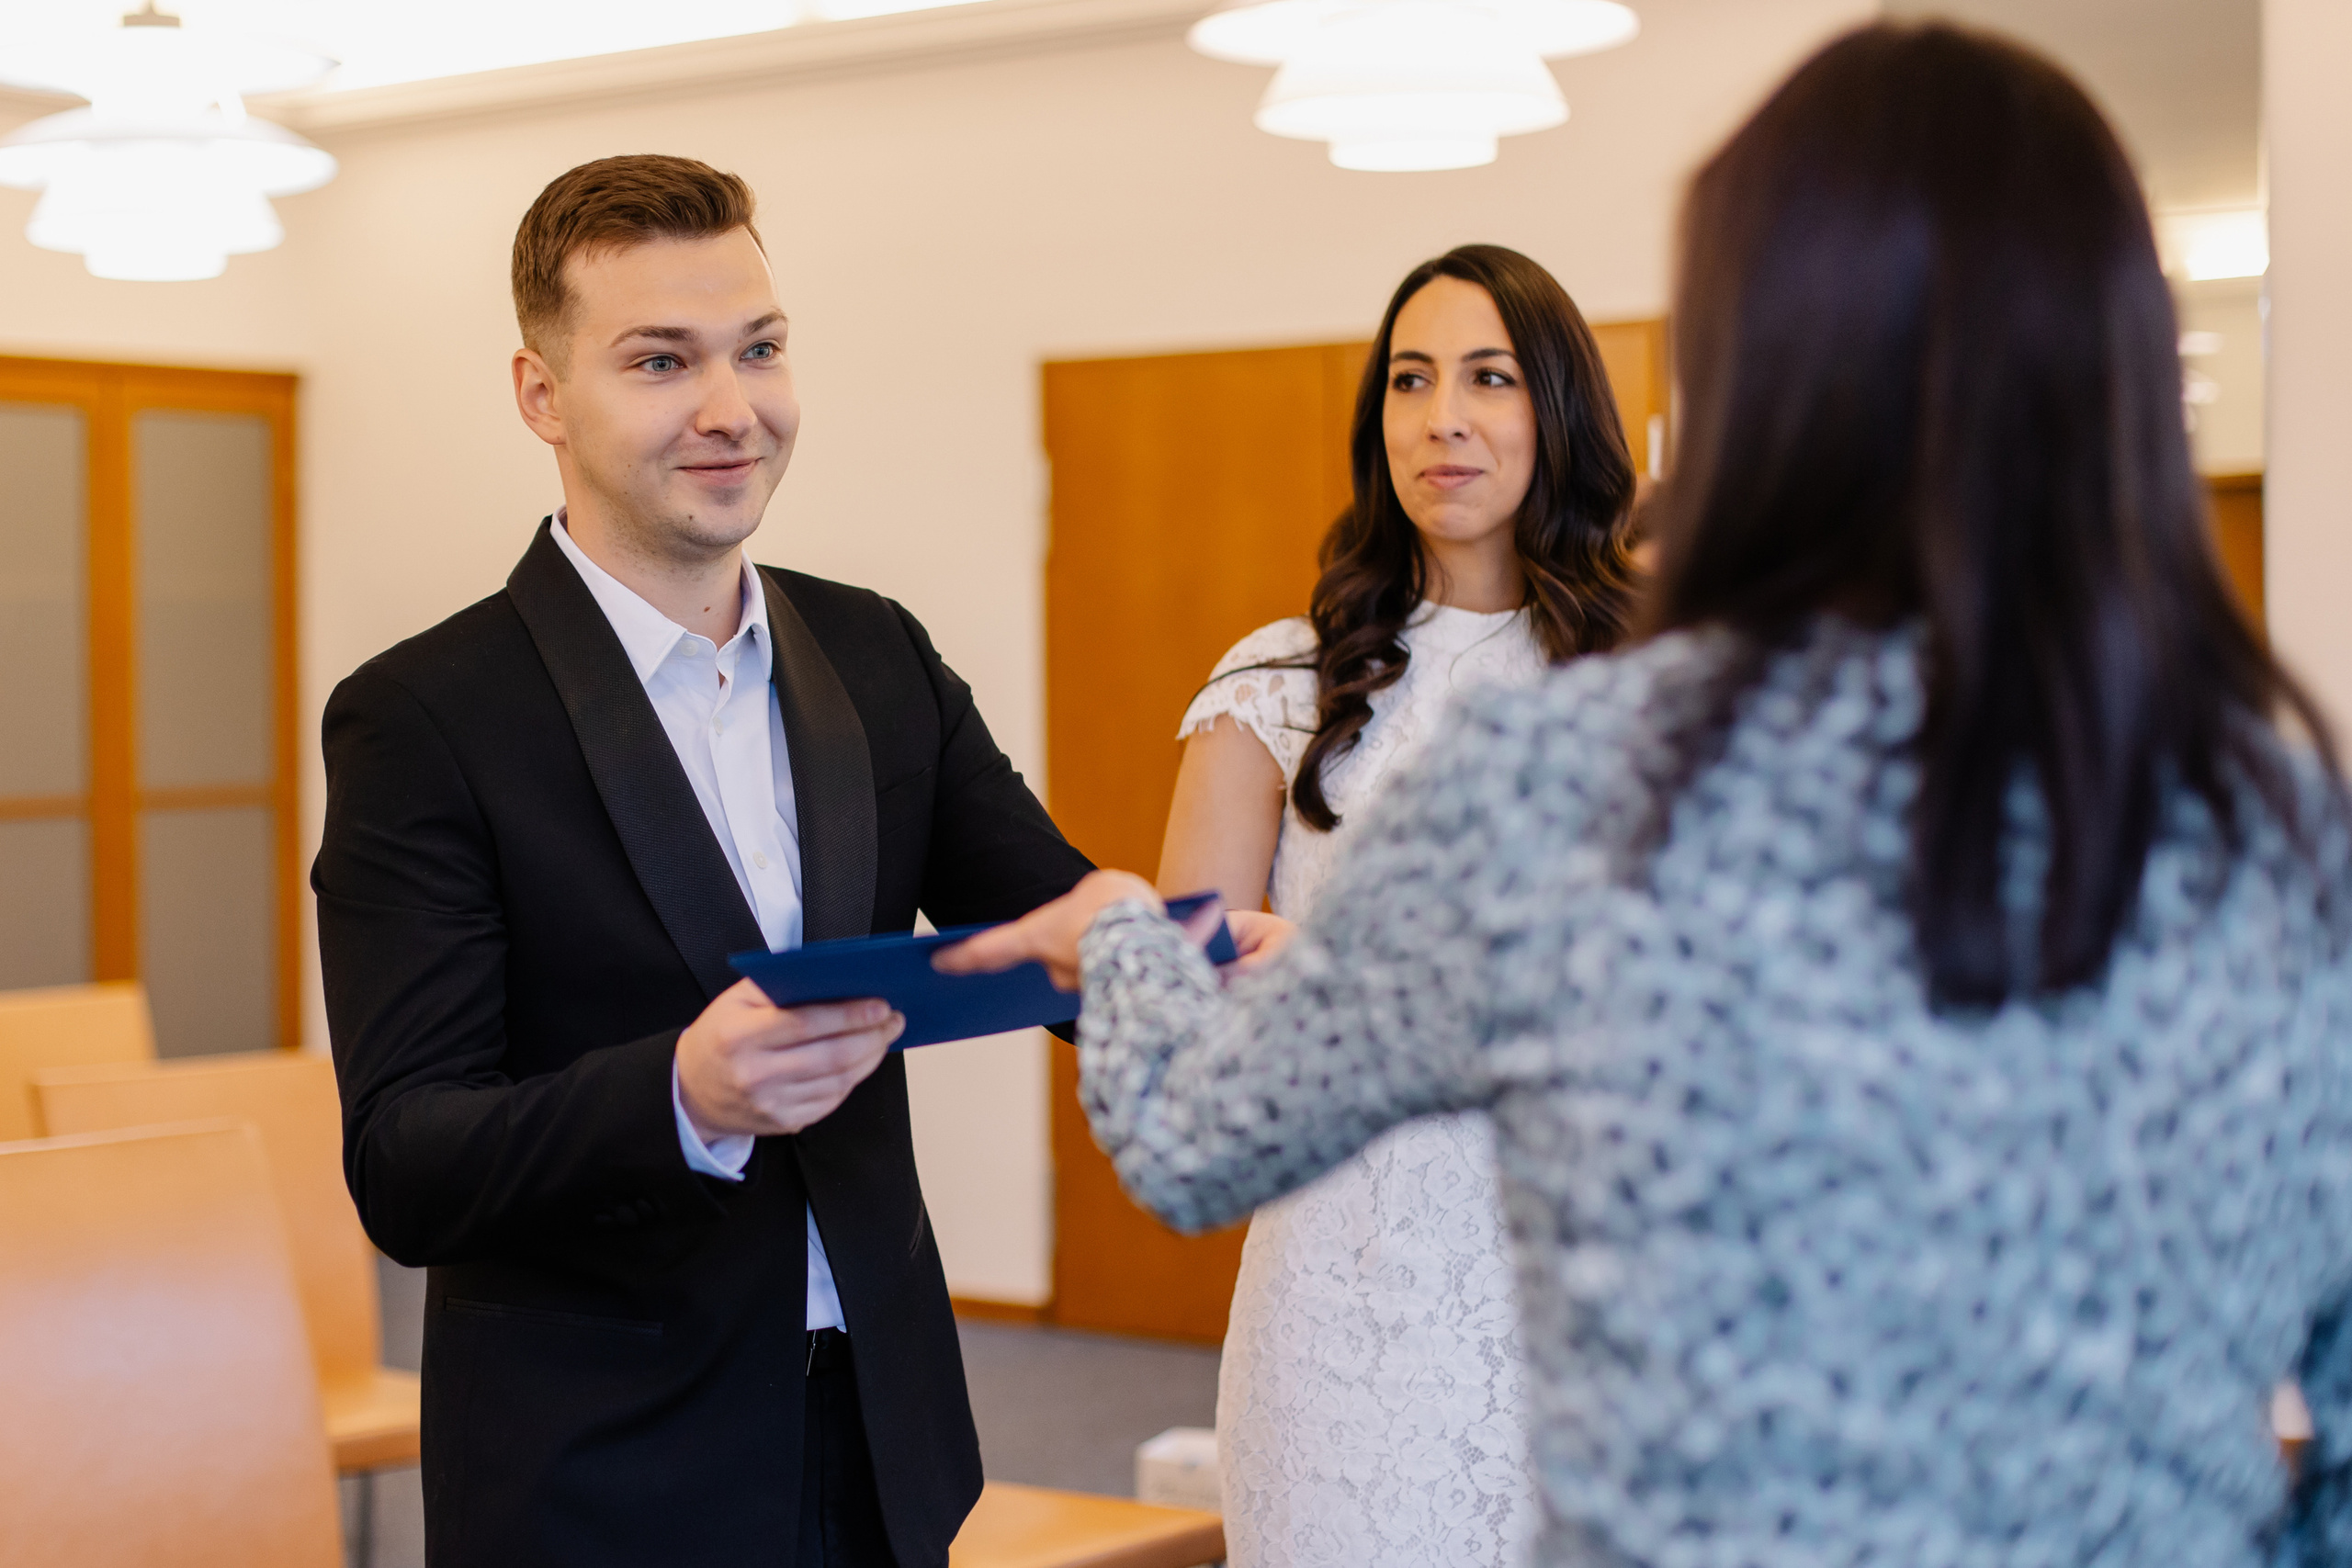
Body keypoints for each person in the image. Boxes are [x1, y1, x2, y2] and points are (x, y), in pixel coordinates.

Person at [944, 22, 2352, 1566]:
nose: (1445, 418)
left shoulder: (1581, 770)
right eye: (1413, 381)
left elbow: (1199, 1133)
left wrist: (1125, 943)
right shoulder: (2272, 821)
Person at [314, 155, 1092, 1568]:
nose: (733, 410)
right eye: (662, 361)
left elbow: (1057, 927)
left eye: (762, 349)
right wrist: (680, 1092)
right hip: (599, 1471)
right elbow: (406, 1162)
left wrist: (1198, 948)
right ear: (542, 396)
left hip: (883, 1439)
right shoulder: (424, 715)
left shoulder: (877, 652)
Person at [1157, 243, 1637, 1566]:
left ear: (1557, 407)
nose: (1445, 420)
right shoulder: (1277, 685)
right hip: (1342, 1297)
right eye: (1410, 381)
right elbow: (1178, 1019)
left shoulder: (1657, 683)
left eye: (1489, 378)